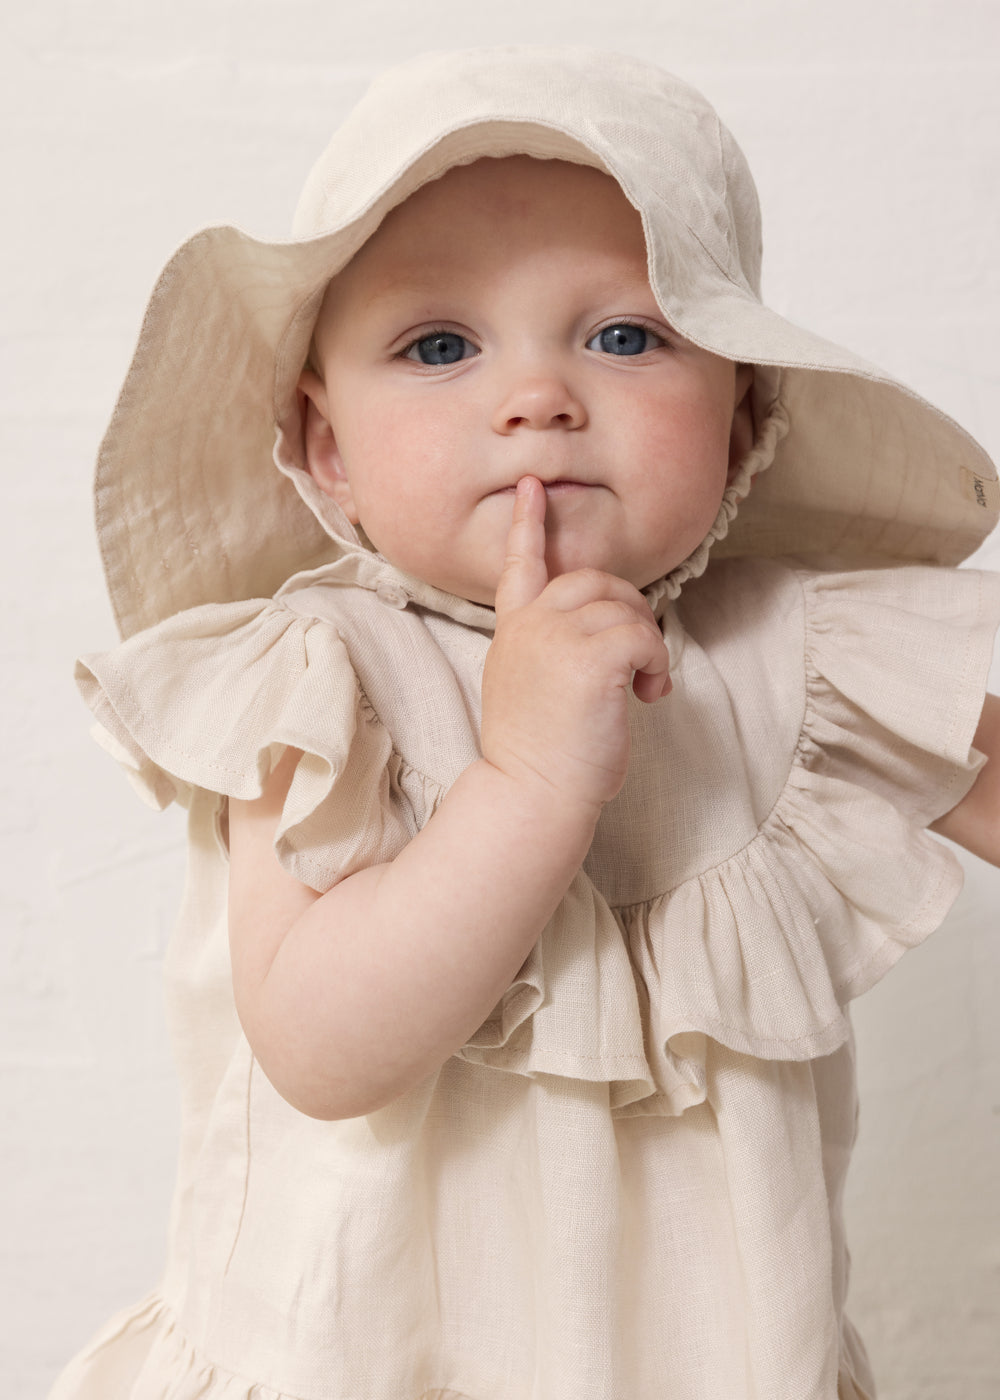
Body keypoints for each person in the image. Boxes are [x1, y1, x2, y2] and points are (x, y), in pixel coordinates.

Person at [52, 46, 1000, 1400]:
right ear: (328, 450)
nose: (538, 397)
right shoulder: (323, 676)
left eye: (625, 336)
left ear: (742, 422)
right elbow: (323, 1048)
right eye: (438, 346)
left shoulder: (805, 660)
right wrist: (530, 776)